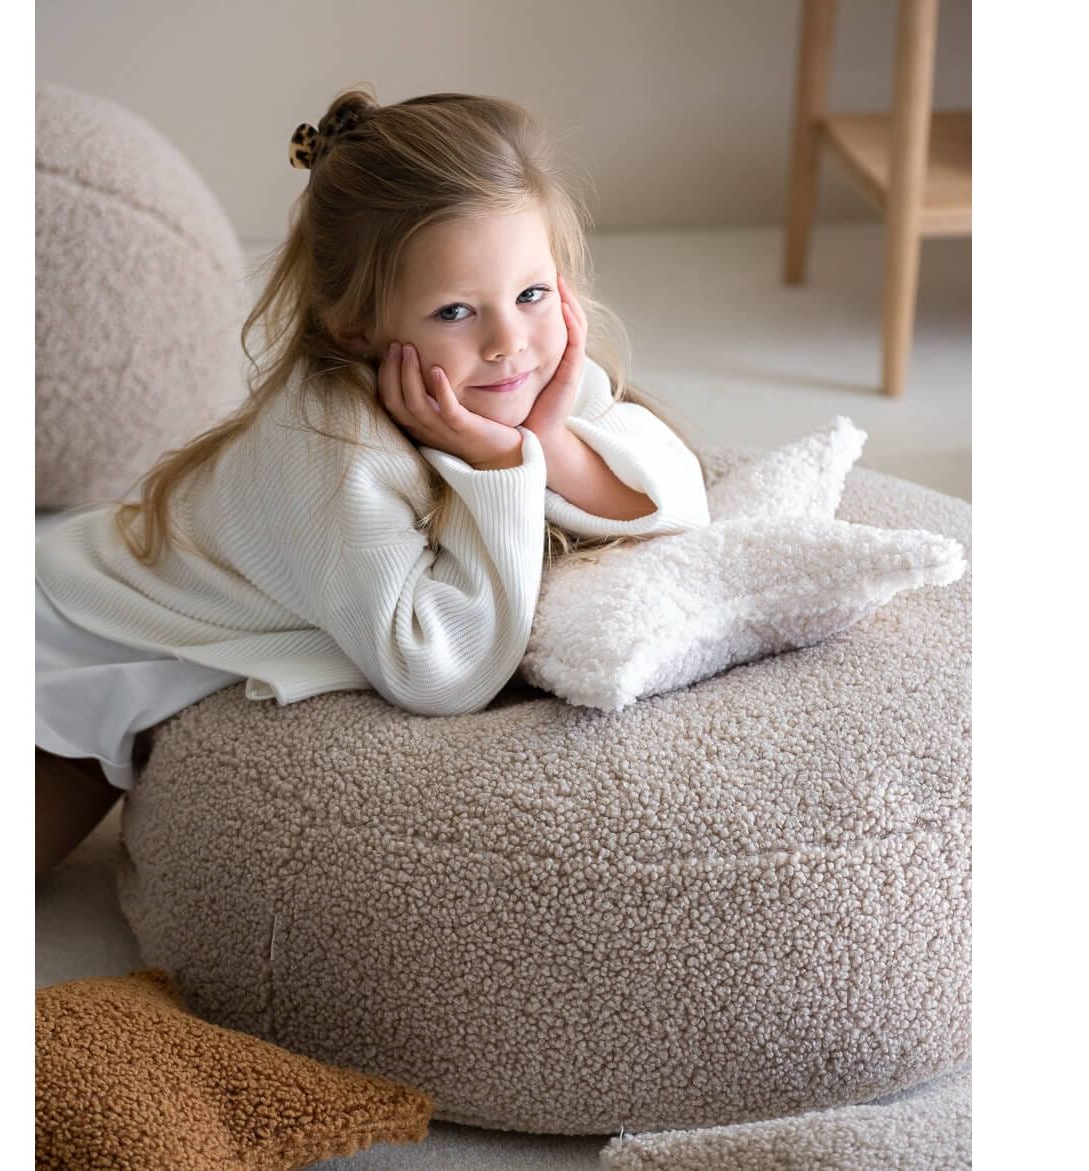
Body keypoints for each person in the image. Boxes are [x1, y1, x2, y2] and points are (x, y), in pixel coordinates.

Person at [35, 87, 711, 877]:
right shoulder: (330, 441)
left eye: (531, 295)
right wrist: (499, 467)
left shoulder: (522, 374)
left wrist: (550, 442)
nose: (507, 343)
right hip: (58, 648)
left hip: (126, 688)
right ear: (357, 324)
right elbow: (436, 668)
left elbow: (677, 500)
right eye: (456, 311)